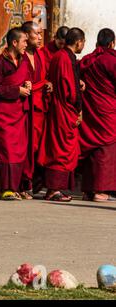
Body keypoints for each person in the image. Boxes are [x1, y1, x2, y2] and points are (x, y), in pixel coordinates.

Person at [37, 28, 87, 202]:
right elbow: (70, 91)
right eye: (83, 42)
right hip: (65, 110)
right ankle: (53, 190)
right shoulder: (66, 58)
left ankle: (55, 188)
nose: (83, 45)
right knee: (61, 150)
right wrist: (78, 109)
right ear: (79, 42)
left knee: (58, 147)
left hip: (58, 108)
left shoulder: (59, 56)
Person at [0, 27, 32, 201]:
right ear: (14, 42)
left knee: (17, 151)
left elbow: (25, 78)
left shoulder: (23, 61)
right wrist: (17, 90)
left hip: (18, 113)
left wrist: (27, 85)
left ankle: (2, 188)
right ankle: (6, 188)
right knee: (6, 150)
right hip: (3, 113)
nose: (26, 45)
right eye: (24, 41)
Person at [79, 28, 116, 202]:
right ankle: (101, 191)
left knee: (91, 149)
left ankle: (88, 190)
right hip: (107, 111)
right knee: (105, 150)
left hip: (90, 109)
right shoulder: (111, 60)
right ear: (112, 43)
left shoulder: (88, 60)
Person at [21, 21, 53, 196]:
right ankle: (21, 184)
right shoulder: (19, 55)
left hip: (39, 108)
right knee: (23, 147)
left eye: (41, 34)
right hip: (23, 108)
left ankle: (30, 183)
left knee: (35, 148)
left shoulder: (41, 55)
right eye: (37, 34)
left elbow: (46, 76)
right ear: (26, 35)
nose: (40, 37)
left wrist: (48, 83)